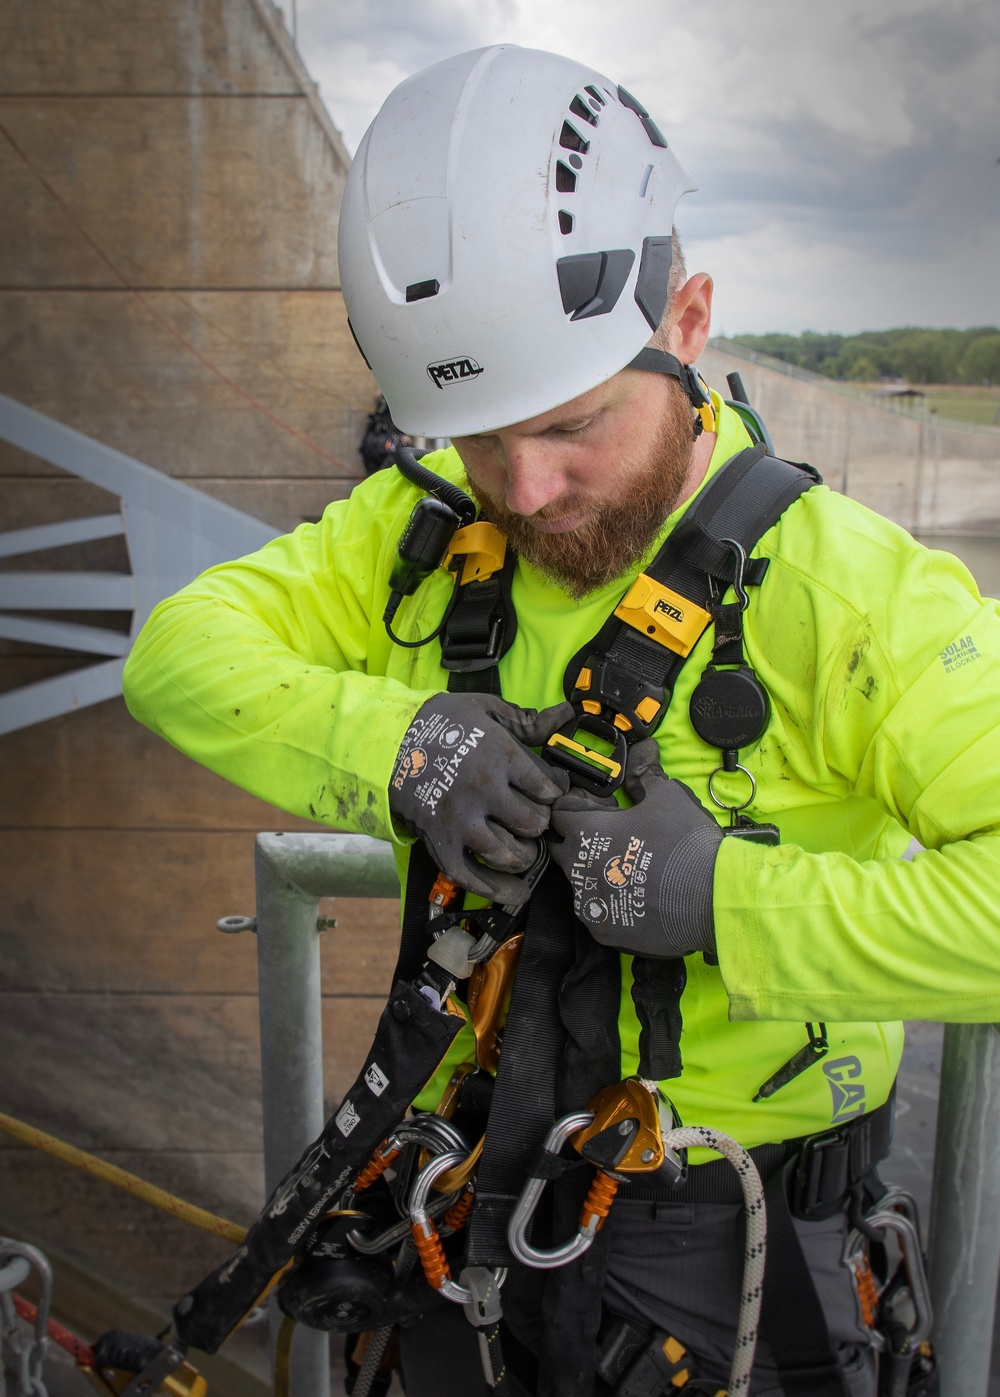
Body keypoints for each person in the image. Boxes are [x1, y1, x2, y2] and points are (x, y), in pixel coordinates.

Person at [122, 44, 1000, 1397]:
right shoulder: (424, 534)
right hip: (467, 1224)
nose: (525, 488)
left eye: (574, 422)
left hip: (731, 1257)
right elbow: (178, 654)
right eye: (476, 436)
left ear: (690, 321)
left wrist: (732, 901)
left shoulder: (859, 601)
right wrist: (404, 748)